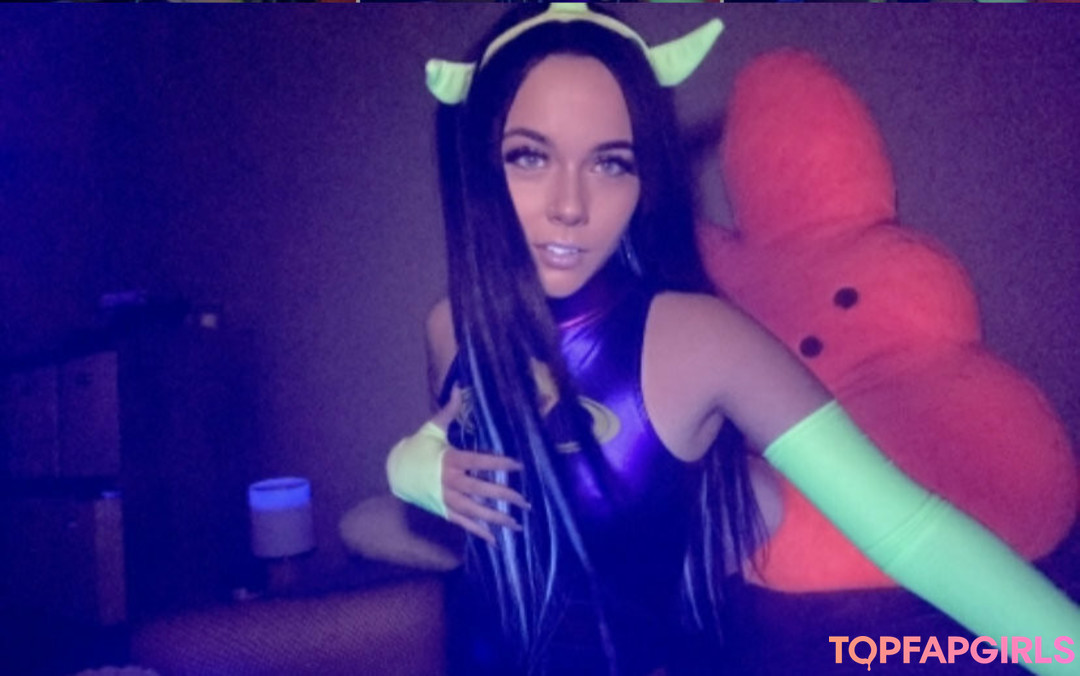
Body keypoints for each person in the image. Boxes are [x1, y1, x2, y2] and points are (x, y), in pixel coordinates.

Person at [384, 4, 1079, 675]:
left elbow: (912, 534)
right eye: (529, 156)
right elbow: (485, 516)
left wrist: (1066, 652)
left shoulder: (700, 339)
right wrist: (413, 470)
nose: (570, 205)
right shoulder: (449, 328)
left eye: (611, 163)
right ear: (478, 163)